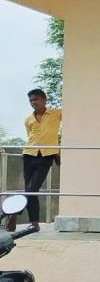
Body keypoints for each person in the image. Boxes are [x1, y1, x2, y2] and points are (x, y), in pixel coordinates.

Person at [9, 89, 62, 231]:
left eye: (36, 99)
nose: (33, 102)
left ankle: (14, 212)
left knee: (32, 189)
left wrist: (56, 152)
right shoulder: (28, 119)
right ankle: (34, 223)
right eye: (31, 100)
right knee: (30, 190)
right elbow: (31, 136)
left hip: (46, 156)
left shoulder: (56, 114)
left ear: (44, 99)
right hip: (29, 154)